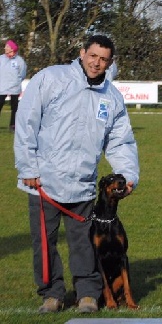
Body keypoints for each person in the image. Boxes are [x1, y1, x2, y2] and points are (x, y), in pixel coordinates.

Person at [14, 35, 140, 314]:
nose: (97, 63)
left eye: (104, 59)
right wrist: (28, 168)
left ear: (110, 62)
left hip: (82, 186)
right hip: (44, 182)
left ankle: (87, 295)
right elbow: (26, 122)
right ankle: (52, 294)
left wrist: (128, 174)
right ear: (82, 53)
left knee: (84, 245)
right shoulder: (51, 78)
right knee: (44, 244)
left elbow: (120, 141)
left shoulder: (111, 96)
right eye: (93, 55)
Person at [0, 39, 27, 132]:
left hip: (15, 88)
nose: (5, 48)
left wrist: (16, 81)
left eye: (7, 46)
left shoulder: (19, 60)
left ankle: (13, 125)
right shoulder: (1, 59)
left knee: (15, 108)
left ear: (12, 48)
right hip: (1, 87)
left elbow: (23, 73)